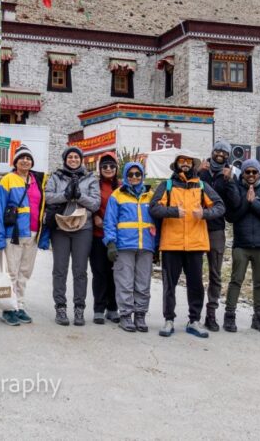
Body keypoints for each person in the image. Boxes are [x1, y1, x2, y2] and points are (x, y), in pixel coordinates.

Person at [149, 150, 225, 338]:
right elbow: (154, 208)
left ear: (193, 165)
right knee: (169, 285)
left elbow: (220, 206)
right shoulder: (166, 185)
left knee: (196, 285)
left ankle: (194, 320)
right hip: (171, 244)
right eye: (181, 161)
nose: (185, 164)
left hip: (195, 244)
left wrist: (204, 214)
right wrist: (173, 212)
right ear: (176, 164)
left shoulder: (202, 186)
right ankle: (169, 320)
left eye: (188, 161)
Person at [0, 145, 47, 327]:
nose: (25, 161)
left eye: (28, 158)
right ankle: (8, 308)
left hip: (33, 233)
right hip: (13, 234)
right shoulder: (7, 180)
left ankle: (19, 305)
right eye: (22, 158)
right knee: (11, 272)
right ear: (15, 162)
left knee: (24, 273)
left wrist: (43, 235)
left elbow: (43, 208)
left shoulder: (37, 181)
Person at [44, 146, 100, 327]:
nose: (73, 159)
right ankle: (60, 307)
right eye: (70, 157)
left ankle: (79, 308)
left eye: (76, 157)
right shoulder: (56, 176)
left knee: (80, 270)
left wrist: (80, 196)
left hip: (83, 228)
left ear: (81, 159)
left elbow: (95, 203)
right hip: (60, 227)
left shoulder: (90, 178)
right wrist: (65, 195)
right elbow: (48, 197)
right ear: (65, 159)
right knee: (59, 269)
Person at [223, 158, 260, 334]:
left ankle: (259, 317)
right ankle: (229, 316)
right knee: (236, 280)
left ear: (259, 173)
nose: (251, 175)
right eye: (247, 172)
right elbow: (231, 217)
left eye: (254, 172)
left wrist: (254, 202)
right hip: (241, 244)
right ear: (243, 173)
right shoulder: (236, 189)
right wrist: (247, 202)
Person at [102, 161, 156, 333]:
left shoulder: (151, 195)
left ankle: (140, 315)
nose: (134, 177)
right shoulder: (117, 195)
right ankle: (125, 315)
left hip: (146, 245)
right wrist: (110, 243)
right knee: (124, 282)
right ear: (125, 176)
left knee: (143, 283)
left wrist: (157, 245)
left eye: (137, 174)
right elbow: (109, 221)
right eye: (131, 174)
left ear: (142, 175)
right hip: (124, 246)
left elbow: (157, 222)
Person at [197, 140, 240, 332]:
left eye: (225, 152)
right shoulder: (201, 170)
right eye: (218, 151)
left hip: (216, 229)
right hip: (197, 226)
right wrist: (198, 173)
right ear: (212, 151)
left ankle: (211, 313)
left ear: (228, 155)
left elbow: (235, 203)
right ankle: (194, 313)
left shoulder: (230, 174)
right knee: (195, 272)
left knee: (215, 273)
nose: (220, 154)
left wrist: (230, 182)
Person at [89, 153, 120, 325]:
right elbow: (88, 203)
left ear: (116, 168)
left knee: (114, 273)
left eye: (111, 166)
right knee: (99, 272)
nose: (108, 169)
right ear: (100, 169)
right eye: (105, 166)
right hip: (97, 235)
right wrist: (94, 216)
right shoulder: (94, 185)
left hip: (116, 237)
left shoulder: (122, 186)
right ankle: (99, 309)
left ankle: (113, 308)